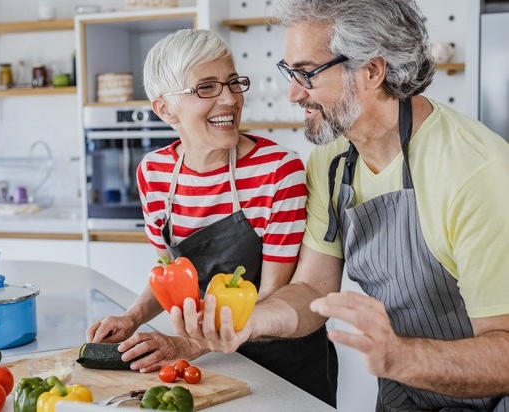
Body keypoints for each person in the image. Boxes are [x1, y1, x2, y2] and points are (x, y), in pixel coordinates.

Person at [171, 1, 509, 411]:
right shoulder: (332, 159)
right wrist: (246, 322)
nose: (293, 93)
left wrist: (400, 356)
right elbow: (313, 287)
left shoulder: (474, 171)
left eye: (308, 73)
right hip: (403, 396)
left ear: (372, 70)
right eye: (290, 72)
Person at [86, 28, 338, 407]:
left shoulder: (278, 172)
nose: (230, 99)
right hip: (208, 364)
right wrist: (133, 317)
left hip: (283, 362)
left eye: (233, 83)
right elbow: (170, 274)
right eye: (206, 88)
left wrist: (188, 343)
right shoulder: (153, 174)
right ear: (165, 109)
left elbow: (272, 294)